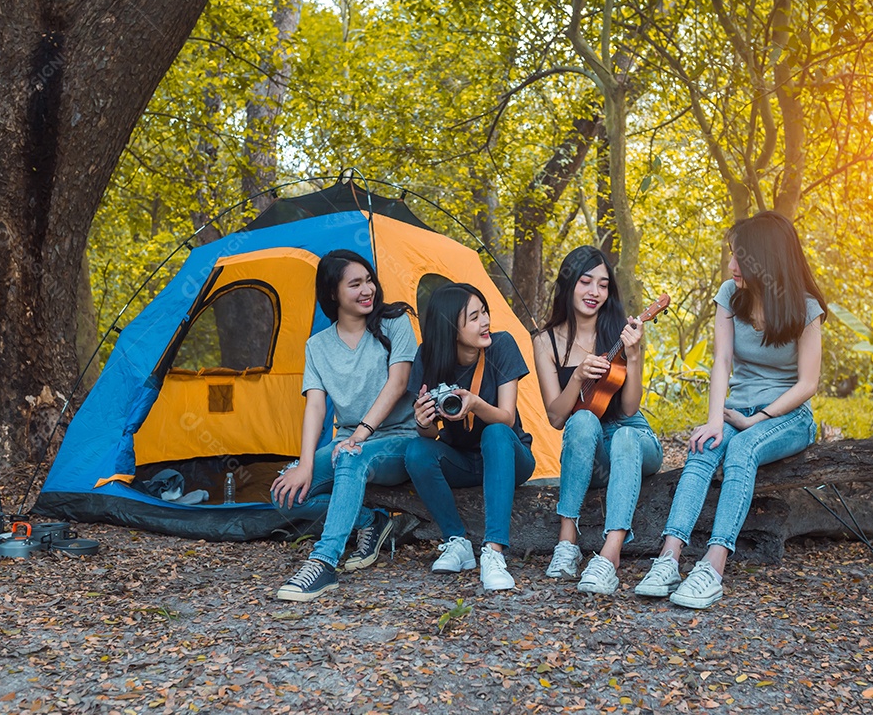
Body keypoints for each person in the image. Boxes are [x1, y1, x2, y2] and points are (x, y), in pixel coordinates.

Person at [636, 211, 825, 609]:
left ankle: (713, 565)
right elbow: (721, 361)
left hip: (786, 416)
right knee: (704, 447)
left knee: (742, 450)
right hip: (737, 408)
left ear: (766, 259)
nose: (731, 265)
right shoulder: (729, 296)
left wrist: (756, 419)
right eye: (732, 255)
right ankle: (668, 557)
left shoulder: (805, 309)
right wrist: (714, 418)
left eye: (740, 256)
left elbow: (808, 384)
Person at [270, 249, 417, 602]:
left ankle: (323, 563)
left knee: (351, 455)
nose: (367, 289)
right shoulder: (318, 346)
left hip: (399, 440)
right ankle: (371, 521)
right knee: (284, 494)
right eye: (355, 284)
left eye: (369, 280)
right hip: (348, 442)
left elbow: (397, 384)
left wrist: (361, 435)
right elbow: (316, 407)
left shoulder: (395, 323)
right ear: (333, 293)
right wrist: (304, 465)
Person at [533, 246, 664, 595]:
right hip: (590, 448)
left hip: (634, 439)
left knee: (622, 437)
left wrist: (633, 357)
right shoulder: (545, 341)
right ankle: (567, 543)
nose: (594, 292)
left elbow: (632, 409)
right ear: (568, 283)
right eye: (586, 281)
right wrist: (576, 378)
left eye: (603, 285)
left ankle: (610, 555)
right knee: (582, 421)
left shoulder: (623, 332)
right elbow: (556, 417)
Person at [405, 283, 536, 591]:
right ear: (450, 328)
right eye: (475, 317)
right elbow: (430, 434)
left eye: (485, 312)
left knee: (495, 432)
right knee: (416, 451)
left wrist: (475, 403)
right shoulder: (428, 357)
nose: (486, 321)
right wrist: (422, 420)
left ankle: (493, 552)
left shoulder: (502, 345)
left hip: (510, 455)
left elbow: (507, 417)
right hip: (462, 460)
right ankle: (457, 541)